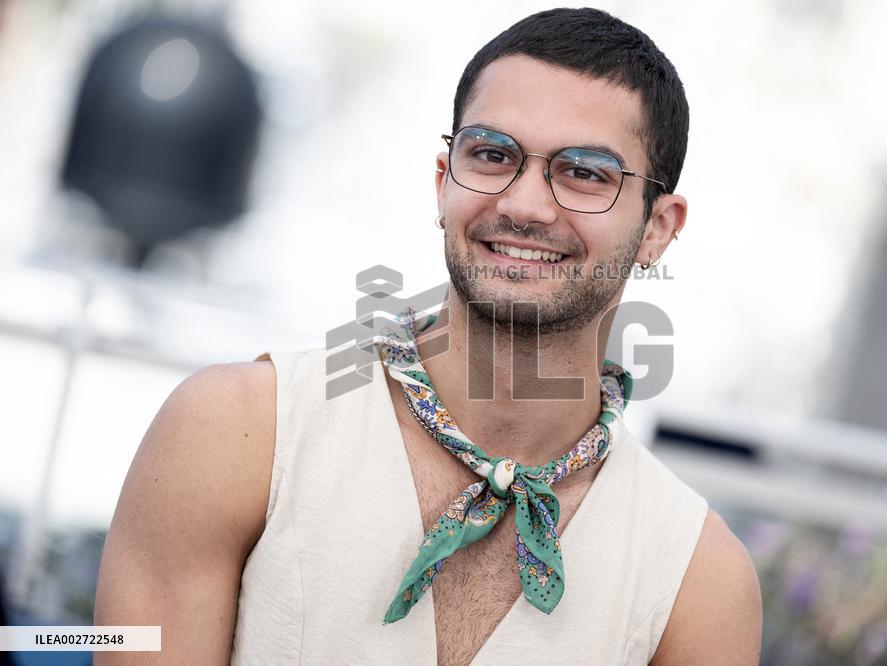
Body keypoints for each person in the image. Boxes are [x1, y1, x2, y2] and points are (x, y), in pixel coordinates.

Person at [94, 8, 762, 664]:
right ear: (444, 183)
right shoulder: (238, 431)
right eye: (493, 155)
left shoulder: (697, 582)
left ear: (658, 228)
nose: (525, 206)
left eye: (585, 171)